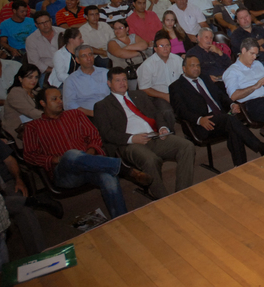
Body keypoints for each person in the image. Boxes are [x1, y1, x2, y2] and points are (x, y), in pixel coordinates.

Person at [23, 87, 151, 219]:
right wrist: (56, 159)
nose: (60, 101)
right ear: (43, 103)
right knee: (71, 154)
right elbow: (30, 155)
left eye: (60, 98)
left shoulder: (75, 114)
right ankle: (124, 169)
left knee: (108, 178)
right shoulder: (33, 127)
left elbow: (94, 136)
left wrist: (89, 155)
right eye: (54, 99)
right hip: (65, 174)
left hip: (91, 165)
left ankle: (121, 219)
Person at [94, 67, 195, 199]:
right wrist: (132, 138)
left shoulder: (139, 95)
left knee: (187, 146)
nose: (122, 83)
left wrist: (162, 127)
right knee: (150, 160)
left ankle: (182, 193)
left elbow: (156, 113)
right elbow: (107, 133)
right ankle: (163, 199)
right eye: (118, 80)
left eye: (124, 79)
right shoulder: (102, 105)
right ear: (109, 83)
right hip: (130, 144)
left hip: (154, 136)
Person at [171, 54, 264, 165]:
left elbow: (220, 95)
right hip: (203, 123)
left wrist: (232, 105)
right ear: (184, 69)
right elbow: (180, 111)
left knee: (232, 127)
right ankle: (260, 147)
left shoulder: (205, 78)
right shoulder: (176, 87)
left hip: (221, 117)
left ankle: (241, 165)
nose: (196, 68)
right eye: (192, 66)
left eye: (198, 65)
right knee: (230, 121)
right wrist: (199, 120)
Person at [137, 32, 183, 115]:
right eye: (161, 46)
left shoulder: (177, 60)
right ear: (155, 49)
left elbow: (184, 78)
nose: (165, 48)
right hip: (157, 96)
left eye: (167, 45)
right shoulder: (147, 65)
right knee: (167, 111)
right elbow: (144, 88)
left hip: (177, 93)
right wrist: (165, 96)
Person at [62, 45, 110, 117]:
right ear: (77, 60)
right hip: (86, 116)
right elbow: (69, 105)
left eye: (90, 54)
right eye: (84, 56)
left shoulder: (106, 73)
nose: (89, 58)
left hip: (109, 113)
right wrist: (92, 113)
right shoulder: (71, 80)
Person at [25, 10, 64, 81]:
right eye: (41, 23)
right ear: (36, 25)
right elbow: (34, 62)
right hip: (46, 71)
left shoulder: (63, 32)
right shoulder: (31, 40)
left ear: (51, 20)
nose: (45, 25)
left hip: (65, 68)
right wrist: (53, 71)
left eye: (47, 21)